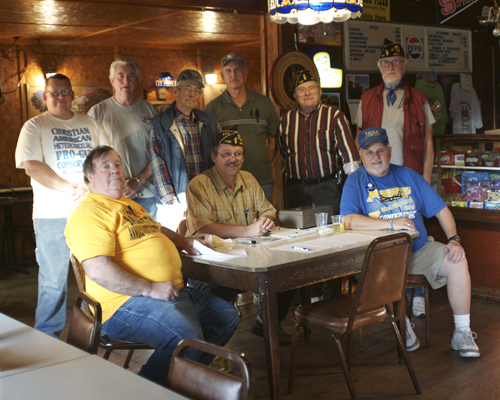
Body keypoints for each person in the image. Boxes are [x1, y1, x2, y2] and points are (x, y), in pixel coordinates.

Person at [65, 145, 239, 385]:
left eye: (118, 164)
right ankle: (151, 390)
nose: (115, 170)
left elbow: (156, 229)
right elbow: (98, 270)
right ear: (89, 177)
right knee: (184, 337)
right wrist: (150, 288)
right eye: (105, 166)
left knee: (226, 316)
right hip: (123, 303)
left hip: (171, 292)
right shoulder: (90, 212)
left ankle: (183, 382)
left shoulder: (129, 205)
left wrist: (183, 241)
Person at [340, 127, 480, 358]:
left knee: (458, 260)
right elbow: (347, 220)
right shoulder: (355, 181)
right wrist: (391, 224)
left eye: (380, 150)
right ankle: (401, 324)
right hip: (381, 257)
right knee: (377, 271)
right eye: (369, 152)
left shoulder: (408, 175)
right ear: (361, 156)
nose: (375, 157)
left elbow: (441, 210)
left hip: (419, 251)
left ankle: (462, 331)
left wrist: (454, 240)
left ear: (389, 150)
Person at [15, 73, 110, 338]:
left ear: (72, 95)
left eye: (65, 91)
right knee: (53, 281)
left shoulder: (91, 124)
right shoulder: (35, 126)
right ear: (45, 96)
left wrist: (89, 188)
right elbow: (32, 166)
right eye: (54, 92)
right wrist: (69, 188)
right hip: (52, 215)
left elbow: (106, 161)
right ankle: (47, 336)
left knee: (98, 275)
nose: (60, 97)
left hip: (91, 213)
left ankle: (101, 330)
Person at [186, 130, 295, 345]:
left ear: (243, 158)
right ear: (214, 157)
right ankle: (215, 349)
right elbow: (203, 228)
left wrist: (266, 221)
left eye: (237, 154)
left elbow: (268, 210)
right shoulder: (199, 185)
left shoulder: (249, 179)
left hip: (248, 256)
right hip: (211, 262)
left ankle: (266, 324)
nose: (233, 159)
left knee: (288, 273)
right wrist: (248, 231)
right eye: (226, 154)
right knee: (218, 292)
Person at [355, 39, 436, 316]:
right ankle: (390, 296)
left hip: (409, 177)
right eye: (386, 62)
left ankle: (416, 293)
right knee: (385, 235)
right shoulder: (367, 98)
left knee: (415, 235)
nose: (392, 66)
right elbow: (360, 142)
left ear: (405, 65)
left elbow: (428, 143)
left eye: (397, 62)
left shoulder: (420, 98)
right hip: (378, 179)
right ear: (380, 67)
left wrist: (425, 179)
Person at [278, 69, 360, 213]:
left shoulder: (334, 115)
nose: (307, 93)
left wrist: (354, 187)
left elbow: (349, 155)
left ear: (320, 91)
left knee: (328, 226)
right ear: (295, 96)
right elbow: (283, 154)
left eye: (311, 88)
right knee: (295, 227)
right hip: (295, 189)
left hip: (325, 188)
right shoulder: (286, 120)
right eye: (301, 90)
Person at [148, 69, 219, 231]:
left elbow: (218, 158)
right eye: (187, 88)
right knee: (176, 243)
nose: (192, 94)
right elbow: (158, 167)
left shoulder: (209, 121)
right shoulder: (158, 124)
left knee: (209, 242)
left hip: (207, 198)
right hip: (175, 204)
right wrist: (174, 205)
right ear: (176, 91)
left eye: (197, 90)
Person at [88, 57, 159, 219]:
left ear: (137, 80)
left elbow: (158, 152)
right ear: (112, 80)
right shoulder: (97, 112)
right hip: (111, 195)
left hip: (146, 193)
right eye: (120, 76)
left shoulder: (150, 111)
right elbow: (91, 156)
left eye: (131, 76)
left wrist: (139, 181)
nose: (125, 80)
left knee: (147, 235)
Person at [204, 53, 279, 202]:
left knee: (265, 217)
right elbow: (209, 148)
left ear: (245, 73)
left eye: (237, 69)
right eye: (228, 71)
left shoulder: (264, 103)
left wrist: (260, 164)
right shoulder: (212, 108)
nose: (233, 75)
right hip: (226, 182)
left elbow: (273, 142)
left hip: (261, 180)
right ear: (222, 76)